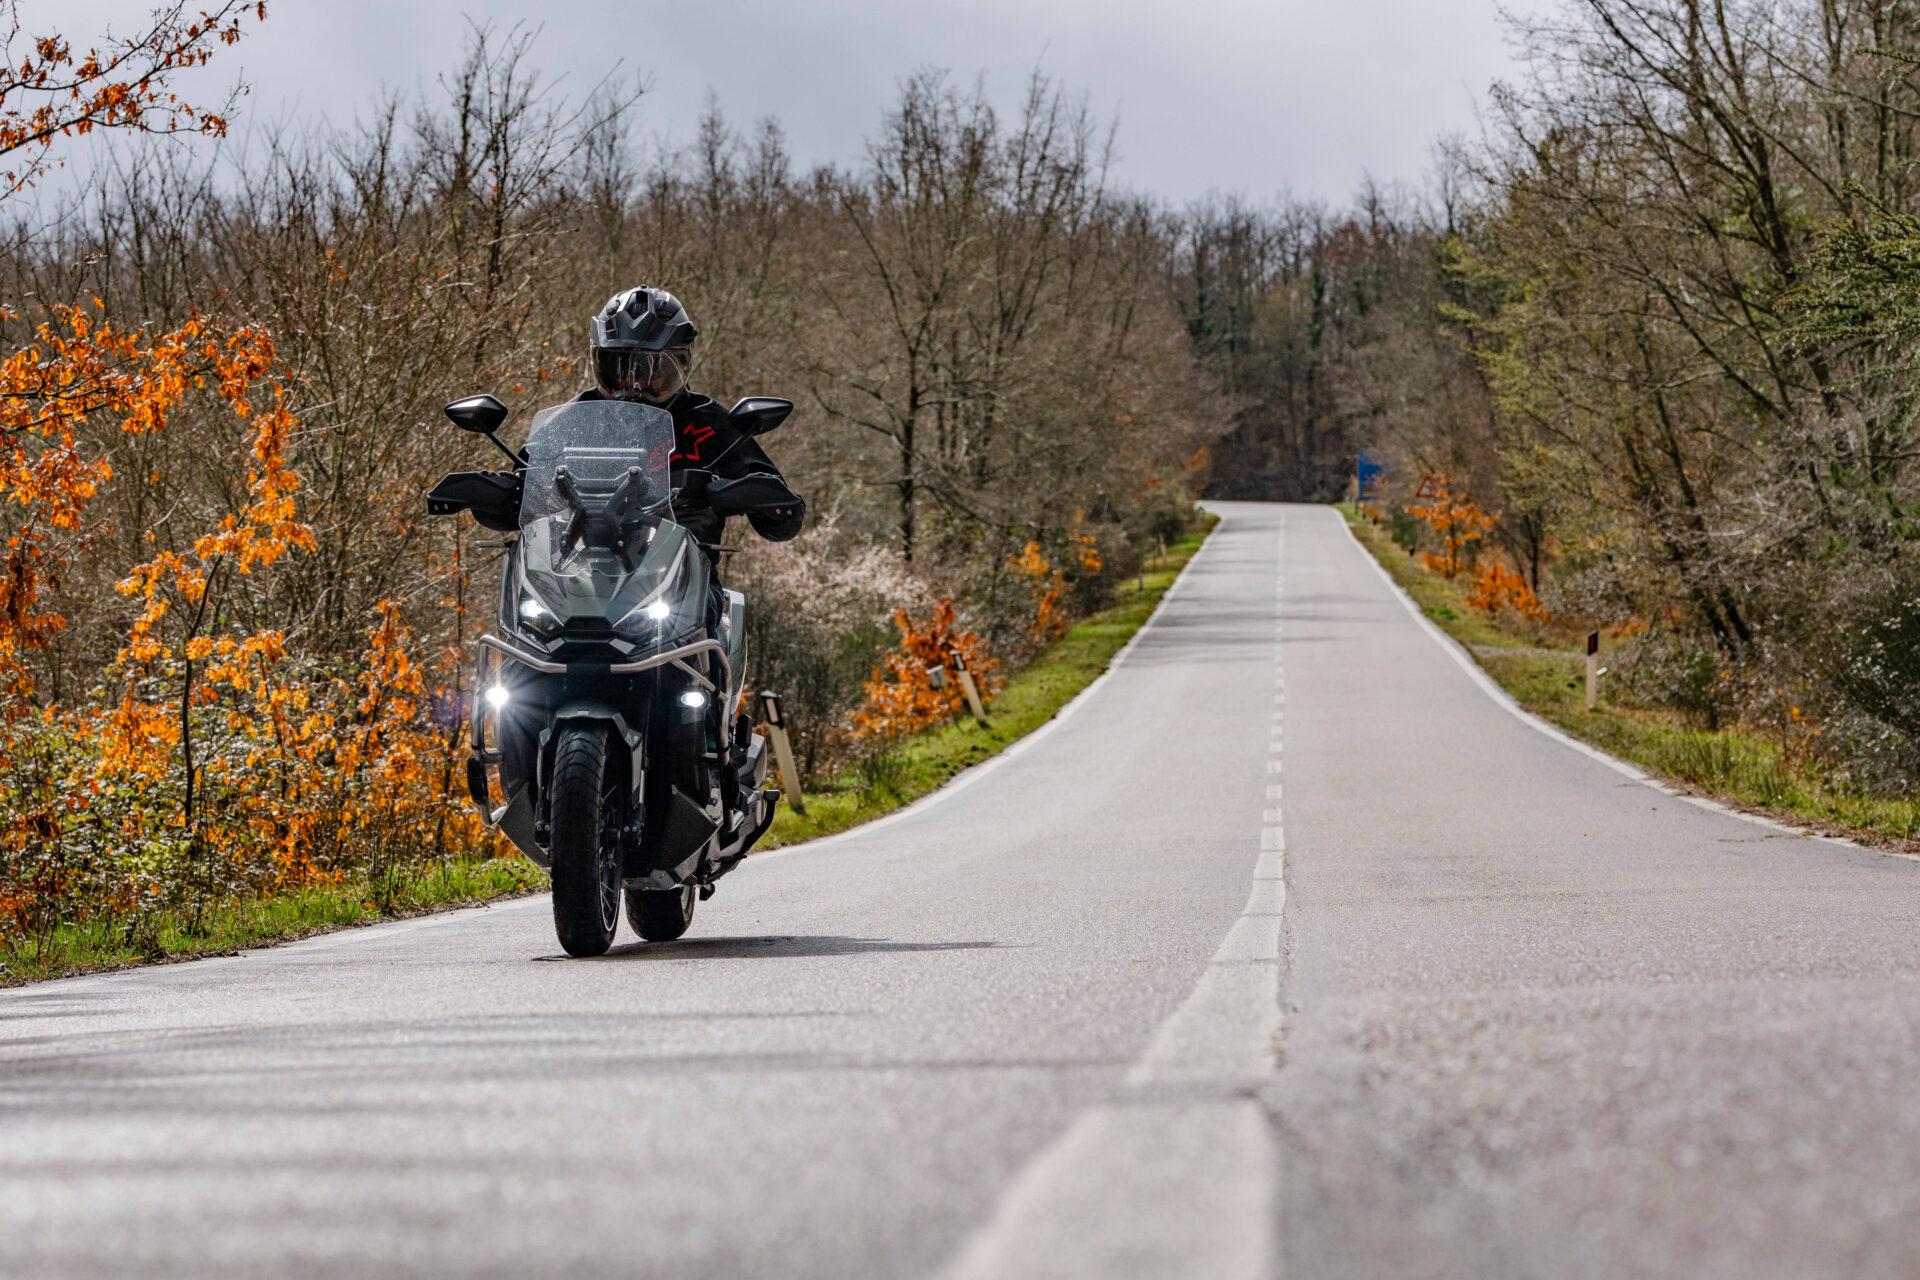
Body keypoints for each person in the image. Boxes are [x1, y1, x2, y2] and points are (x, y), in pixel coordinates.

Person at [575, 285, 804, 548]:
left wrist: (754, 493)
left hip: (685, 567)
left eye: (654, 368)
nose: (636, 384)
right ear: (600, 363)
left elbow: (783, 524)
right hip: (577, 565)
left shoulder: (706, 421)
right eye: (621, 367)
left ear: (680, 365)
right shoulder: (577, 418)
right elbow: (535, 470)